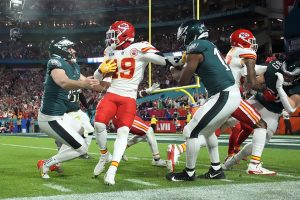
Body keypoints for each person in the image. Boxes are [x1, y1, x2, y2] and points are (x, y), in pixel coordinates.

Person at [93, 20, 183, 185]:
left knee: (123, 133)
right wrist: (100, 70)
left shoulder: (140, 47)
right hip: (112, 93)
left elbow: (164, 60)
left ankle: (112, 170)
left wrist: (184, 59)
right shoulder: (109, 51)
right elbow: (98, 78)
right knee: (98, 125)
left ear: (125, 35)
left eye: (113, 35)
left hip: (128, 98)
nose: (110, 39)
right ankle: (104, 154)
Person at [166, 19, 241, 181]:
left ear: (190, 34)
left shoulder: (196, 46)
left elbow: (183, 81)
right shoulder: (207, 45)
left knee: (190, 131)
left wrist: (174, 69)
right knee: (207, 133)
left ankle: (189, 172)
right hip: (227, 94)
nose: (182, 40)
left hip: (224, 94)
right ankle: (216, 169)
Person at [223, 55, 300, 173]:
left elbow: (291, 108)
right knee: (228, 119)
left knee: (259, 143)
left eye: (290, 76)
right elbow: (253, 83)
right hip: (257, 101)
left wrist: (279, 88)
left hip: (273, 112)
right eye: (285, 73)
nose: (286, 77)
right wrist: (264, 89)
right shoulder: (274, 68)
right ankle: (202, 136)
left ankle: (232, 161)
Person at [36, 37, 100, 179]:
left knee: (81, 130)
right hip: (50, 118)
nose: (74, 51)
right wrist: (84, 85)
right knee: (82, 148)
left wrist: (111, 81)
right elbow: (63, 82)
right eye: (70, 48)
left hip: (61, 116)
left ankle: (56, 162)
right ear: (61, 50)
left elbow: (93, 84)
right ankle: (47, 164)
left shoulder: (73, 66)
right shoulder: (55, 62)